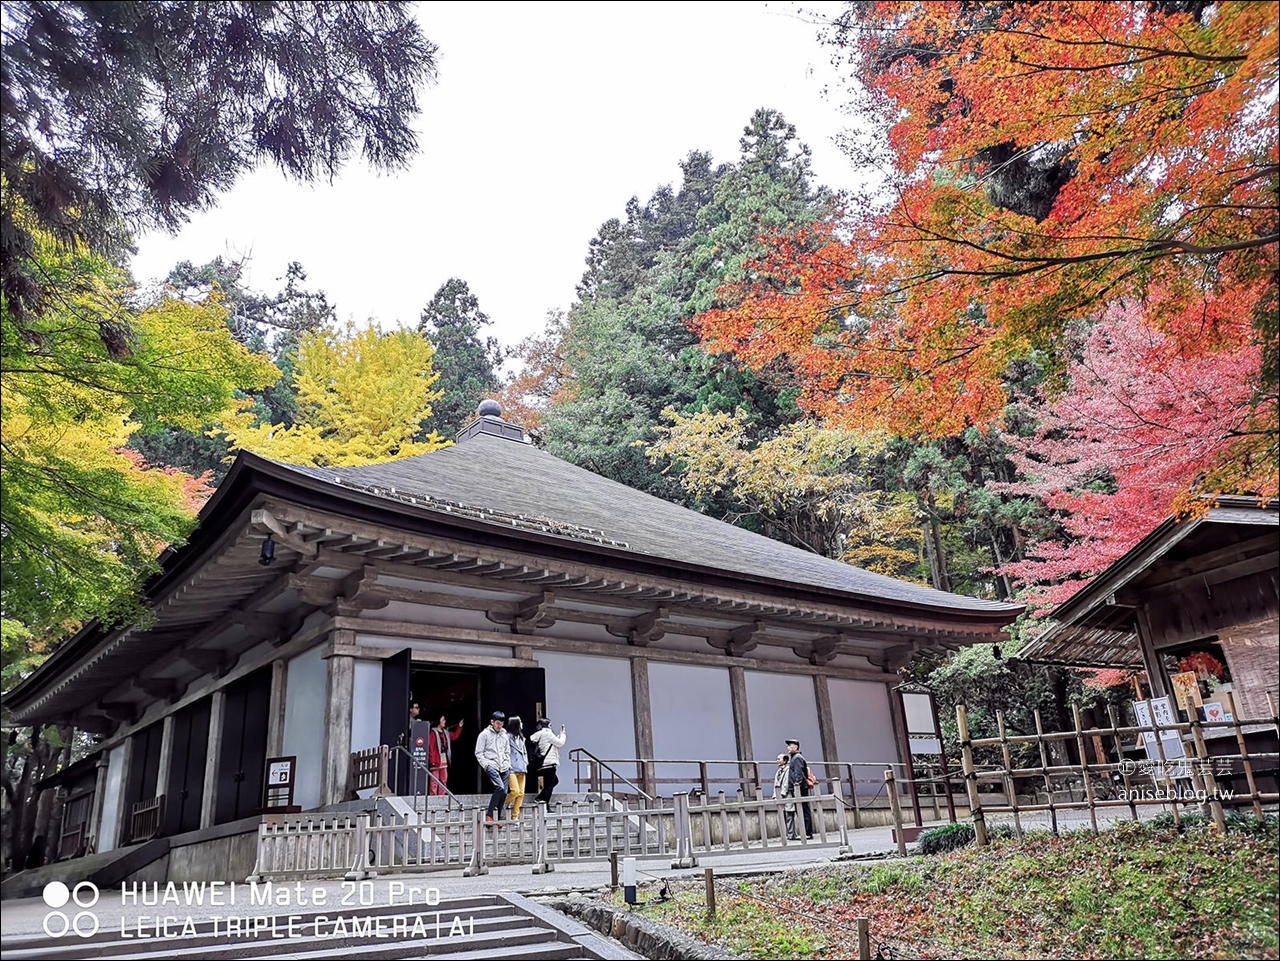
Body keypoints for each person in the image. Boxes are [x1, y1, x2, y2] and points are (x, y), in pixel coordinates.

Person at [474, 711, 511, 822]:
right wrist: (486, 764)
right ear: (492, 722)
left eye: (501, 724)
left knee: (504, 792)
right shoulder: (484, 735)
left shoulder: (504, 736)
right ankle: (489, 814)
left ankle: (496, 817)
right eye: (498, 723)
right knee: (499, 787)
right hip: (491, 764)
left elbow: (507, 752)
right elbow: (478, 752)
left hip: (504, 766)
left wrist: (507, 764)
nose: (500, 726)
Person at [529, 718, 567, 805]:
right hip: (549, 763)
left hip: (542, 763)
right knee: (549, 785)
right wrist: (563, 734)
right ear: (549, 725)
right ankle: (545, 804)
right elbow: (560, 743)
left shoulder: (538, 734)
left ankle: (540, 798)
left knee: (554, 781)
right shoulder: (548, 734)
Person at [783, 737, 814, 840]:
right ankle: (806, 832)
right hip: (798, 787)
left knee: (803, 809)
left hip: (799, 788)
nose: (788, 747)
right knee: (802, 809)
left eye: (790, 746)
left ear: (795, 747)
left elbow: (798, 773)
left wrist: (797, 785)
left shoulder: (797, 758)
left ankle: (807, 832)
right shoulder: (795, 757)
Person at [427, 715, 464, 795]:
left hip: (443, 758)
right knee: (434, 780)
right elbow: (431, 747)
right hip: (435, 759)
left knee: (443, 779)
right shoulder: (433, 733)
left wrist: (459, 727)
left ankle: (442, 796)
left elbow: (454, 736)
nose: (444, 722)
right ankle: (433, 796)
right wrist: (432, 760)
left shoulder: (445, 732)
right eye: (443, 720)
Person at [506, 716, 528, 819]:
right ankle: (504, 803)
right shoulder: (507, 737)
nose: (522, 724)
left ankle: (515, 816)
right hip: (511, 767)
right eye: (520, 722)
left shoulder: (522, 738)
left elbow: (525, 752)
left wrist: (525, 762)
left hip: (522, 767)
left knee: (521, 793)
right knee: (515, 791)